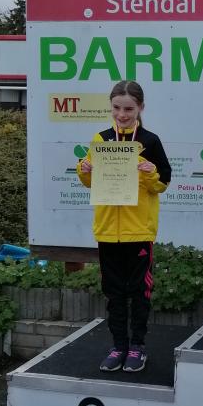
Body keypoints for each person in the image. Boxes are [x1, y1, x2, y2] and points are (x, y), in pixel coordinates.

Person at [77, 80, 172, 373]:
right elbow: (90, 182)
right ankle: (118, 345)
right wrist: (84, 169)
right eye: (117, 108)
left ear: (140, 108)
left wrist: (150, 172)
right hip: (107, 230)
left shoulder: (150, 141)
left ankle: (137, 347)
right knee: (114, 293)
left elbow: (163, 183)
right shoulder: (101, 139)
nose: (122, 114)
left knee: (139, 292)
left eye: (129, 109)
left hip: (139, 230)